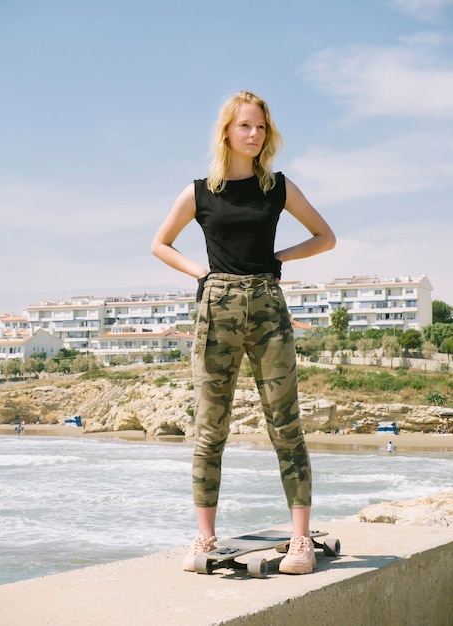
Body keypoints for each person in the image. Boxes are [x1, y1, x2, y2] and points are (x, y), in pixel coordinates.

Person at [151, 90, 336, 575]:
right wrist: (201, 275)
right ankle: (205, 538)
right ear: (227, 132)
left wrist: (281, 258)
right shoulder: (199, 191)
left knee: (286, 426)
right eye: (245, 127)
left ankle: (301, 543)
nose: (254, 135)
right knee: (211, 430)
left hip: (269, 309)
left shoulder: (276, 186)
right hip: (216, 311)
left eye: (261, 127)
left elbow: (326, 236)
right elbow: (160, 243)